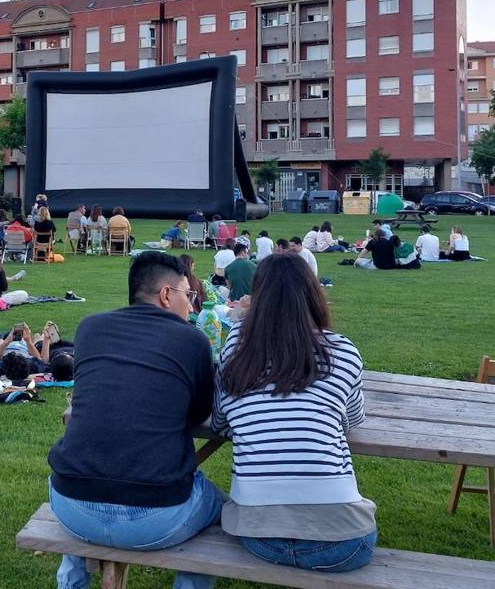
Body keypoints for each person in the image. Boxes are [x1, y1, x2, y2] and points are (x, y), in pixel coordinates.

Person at [48, 252, 223, 589]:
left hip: (71, 505)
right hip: (158, 516)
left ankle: (71, 582)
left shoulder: (90, 328)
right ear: (167, 294)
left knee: (89, 471)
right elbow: (200, 414)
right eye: (189, 295)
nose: (192, 305)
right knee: (223, 510)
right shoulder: (194, 340)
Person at [212, 254, 377, 573]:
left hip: (258, 536)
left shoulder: (236, 348)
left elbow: (221, 423)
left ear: (256, 299)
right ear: (314, 295)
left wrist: (241, 320)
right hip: (343, 543)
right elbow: (352, 422)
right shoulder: (342, 350)